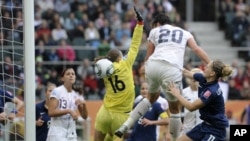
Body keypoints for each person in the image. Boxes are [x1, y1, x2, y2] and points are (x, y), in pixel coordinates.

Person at [115, 13, 211, 141]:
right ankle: (177, 138)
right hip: (171, 68)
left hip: (153, 65)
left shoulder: (155, 31)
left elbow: (148, 55)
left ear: (158, 24)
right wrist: (211, 64)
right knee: (175, 108)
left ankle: (125, 125)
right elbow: (196, 49)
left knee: (150, 98)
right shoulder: (185, 33)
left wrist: (145, 68)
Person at [94, 7, 144, 141]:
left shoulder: (105, 68)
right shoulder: (125, 64)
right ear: (119, 58)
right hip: (122, 115)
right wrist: (139, 25)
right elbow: (134, 45)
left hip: (105, 112)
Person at [168, 60, 232, 141]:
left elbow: (191, 107)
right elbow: (187, 73)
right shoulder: (204, 78)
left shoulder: (211, 91)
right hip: (205, 125)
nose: (205, 67)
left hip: (216, 130)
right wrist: (172, 65)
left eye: (207, 67)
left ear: (212, 74)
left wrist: (177, 94)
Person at [46, 67, 88, 141]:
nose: (71, 75)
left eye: (73, 74)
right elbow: (51, 112)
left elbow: (84, 116)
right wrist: (69, 111)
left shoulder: (78, 93)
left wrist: (84, 104)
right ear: (62, 78)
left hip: (71, 134)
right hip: (57, 133)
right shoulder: (56, 91)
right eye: (68, 74)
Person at [180, 68, 203, 136]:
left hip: (202, 127)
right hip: (187, 127)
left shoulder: (204, 92)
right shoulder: (184, 92)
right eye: (193, 76)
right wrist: (179, 122)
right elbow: (178, 108)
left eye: (197, 77)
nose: (194, 79)